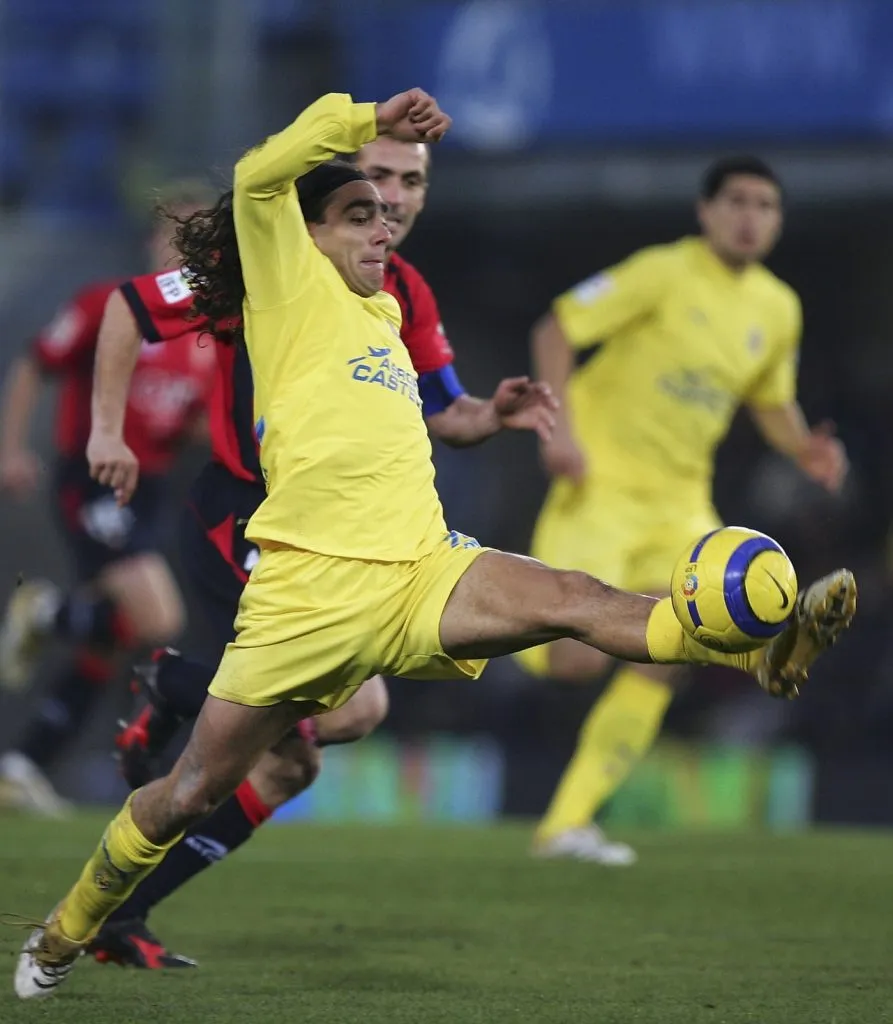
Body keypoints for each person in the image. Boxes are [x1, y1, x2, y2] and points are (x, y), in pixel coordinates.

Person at [12, 90, 855, 1001]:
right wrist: (364, 116)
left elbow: (444, 413)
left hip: (423, 569)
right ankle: (66, 929)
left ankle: (754, 649)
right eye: (358, 213)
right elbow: (259, 176)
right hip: (306, 598)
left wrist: (491, 413)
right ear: (305, 233)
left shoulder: (389, 309)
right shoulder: (283, 284)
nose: (383, 225)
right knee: (186, 792)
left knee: (575, 598)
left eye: (390, 209)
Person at [83, 135, 555, 969]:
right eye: (378, 179)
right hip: (249, 518)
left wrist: (493, 414)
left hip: (341, 541)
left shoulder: (404, 291)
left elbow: (447, 411)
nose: (395, 197)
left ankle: (124, 914)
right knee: (350, 712)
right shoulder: (264, 264)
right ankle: (176, 683)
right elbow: (131, 306)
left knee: (292, 764)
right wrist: (106, 429)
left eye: (412, 181)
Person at [517, 156, 849, 865]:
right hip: (599, 490)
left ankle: (566, 824)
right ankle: (465, 625)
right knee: (573, 660)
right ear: (706, 211)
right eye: (737, 201)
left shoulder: (777, 308)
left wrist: (802, 448)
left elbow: (769, 399)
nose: (749, 217)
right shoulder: (662, 271)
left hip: (680, 505)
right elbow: (555, 329)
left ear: (778, 221)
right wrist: (559, 430)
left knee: (665, 656)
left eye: (764, 205)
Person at [0, 183, 217, 818]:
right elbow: (35, 362)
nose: (186, 253)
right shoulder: (109, 305)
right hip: (93, 478)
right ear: (152, 241)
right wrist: (11, 449)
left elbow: (193, 423)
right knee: (158, 619)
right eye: (175, 237)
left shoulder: (206, 333)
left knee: (116, 634)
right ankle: (44, 615)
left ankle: (23, 762)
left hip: (149, 491)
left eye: (200, 242)